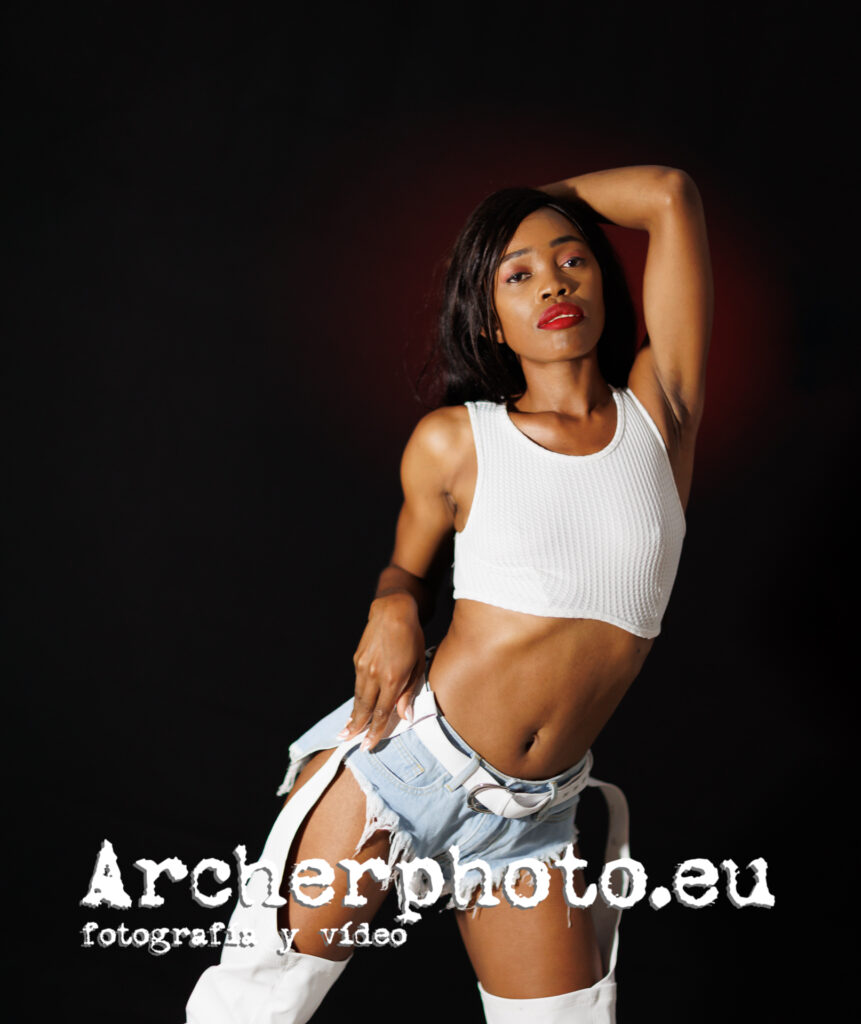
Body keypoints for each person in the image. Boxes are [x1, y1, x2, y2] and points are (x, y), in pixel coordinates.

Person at [185, 164, 712, 1023]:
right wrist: (392, 604)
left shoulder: (662, 417)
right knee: (252, 1008)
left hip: (534, 815)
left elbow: (667, 194)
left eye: (570, 260)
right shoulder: (456, 441)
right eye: (517, 275)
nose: (552, 284)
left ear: (602, 283)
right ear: (490, 319)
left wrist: (519, 212)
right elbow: (406, 570)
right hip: (405, 766)